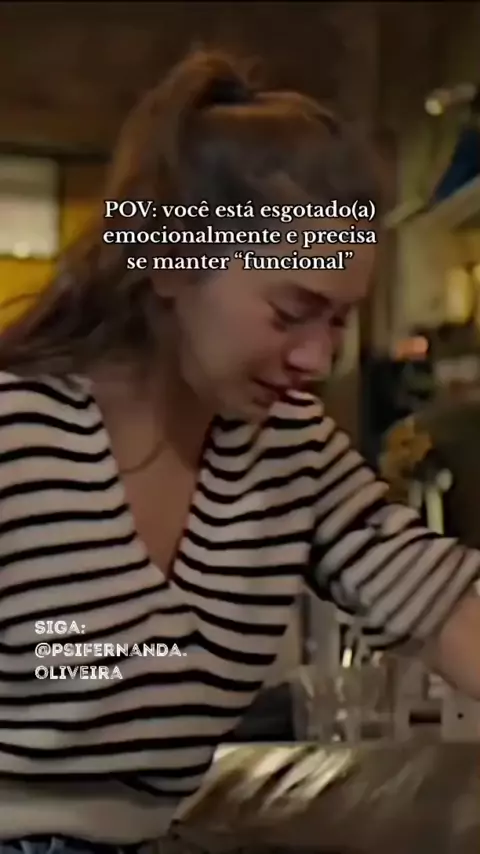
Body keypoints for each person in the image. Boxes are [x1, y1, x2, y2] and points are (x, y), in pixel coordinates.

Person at [0, 48, 479, 854]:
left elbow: (442, 607)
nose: (317, 358)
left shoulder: (290, 447)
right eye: (291, 312)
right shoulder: (19, 434)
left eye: (339, 320)